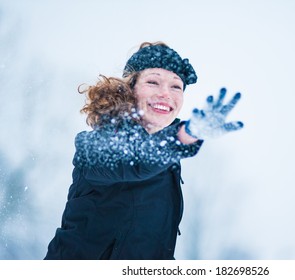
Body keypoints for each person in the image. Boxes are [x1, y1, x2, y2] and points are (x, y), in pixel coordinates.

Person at [44, 42, 243, 260]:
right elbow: (133, 160)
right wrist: (183, 135)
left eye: (176, 86)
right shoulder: (95, 143)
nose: (165, 93)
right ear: (130, 89)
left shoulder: (168, 163)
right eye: (153, 82)